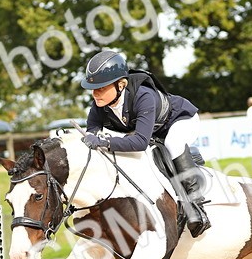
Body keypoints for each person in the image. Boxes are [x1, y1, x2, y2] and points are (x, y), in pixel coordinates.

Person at [80, 50, 210, 236]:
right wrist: (91, 138)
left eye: (101, 87)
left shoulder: (143, 96)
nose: (95, 93)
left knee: (173, 143)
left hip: (179, 120)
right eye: (93, 88)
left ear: (121, 85)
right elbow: (92, 129)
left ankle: (196, 205)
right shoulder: (100, 104)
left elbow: (140, 142)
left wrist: (103, 142)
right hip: (152, 131)